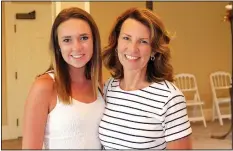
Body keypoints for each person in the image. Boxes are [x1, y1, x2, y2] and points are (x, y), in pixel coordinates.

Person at [99, 7, 192, 150]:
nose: (133, 48)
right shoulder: (109, 88)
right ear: (117, 42)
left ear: (154, 49)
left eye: (143, 41)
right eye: (126, 38)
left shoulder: (170, 98)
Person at [22, 7, 104, 149]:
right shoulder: (45, 86)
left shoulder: (99, 85)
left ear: (94, 41)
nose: (77, 47)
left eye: (84, 38)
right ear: (58, 46)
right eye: (67, 40)